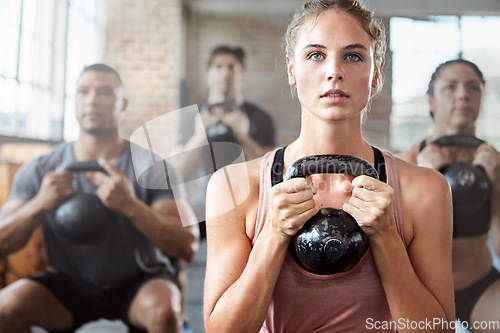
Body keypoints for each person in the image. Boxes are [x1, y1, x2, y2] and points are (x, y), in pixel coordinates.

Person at [203, 1, 455, 332]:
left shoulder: (425, 190)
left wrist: (386, 237)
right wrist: (274, 234)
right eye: (316, 55)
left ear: (374, 73)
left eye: (353, 56)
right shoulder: (232, 187)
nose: (333, 71)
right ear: (292, 70)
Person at [0, 63, 200, 333]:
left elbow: (187, 246)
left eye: (105, 92)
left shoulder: (153, 167)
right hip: (69, 281)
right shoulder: (39, 169)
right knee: (5, 309)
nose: (92, 100)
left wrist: (130, 206)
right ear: (74, 100)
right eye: (83, 91)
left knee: (164, 312)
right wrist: (40, 204)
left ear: (123, 103)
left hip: (139, 279)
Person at [398, 59, 500, 331]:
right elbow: (392, 243)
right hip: (419, 290)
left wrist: (497, 184)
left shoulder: (495, 163)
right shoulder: (406, 161)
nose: (463, 94)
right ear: (431, 101)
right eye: (450, 87)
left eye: (473, 88)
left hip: (480, 289)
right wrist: (422, 178)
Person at [174, 45, 277, 234]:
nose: (226, 73)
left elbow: (273, 172)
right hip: (201, 210)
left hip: (248, 210)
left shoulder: (260, 117)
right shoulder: (191, 118)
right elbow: (175, 173)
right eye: (218, 67)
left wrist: (243, 136)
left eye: (232, 67)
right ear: (207, 75)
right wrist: (198, 137)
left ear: (242, 75)